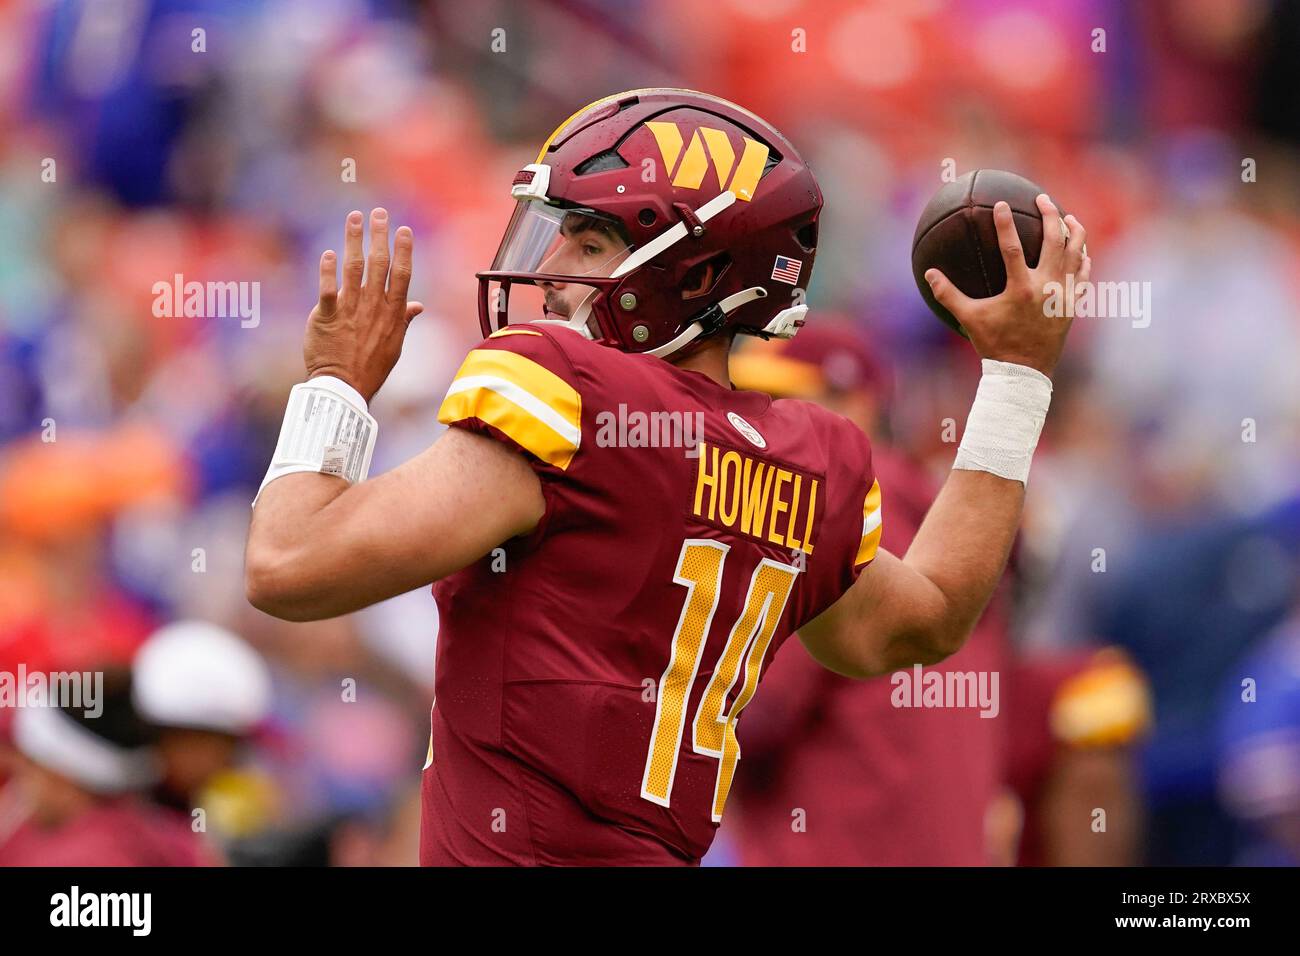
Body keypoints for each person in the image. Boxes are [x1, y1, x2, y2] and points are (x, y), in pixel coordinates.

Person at [244, 88, 1090, 865]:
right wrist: (1017, 378)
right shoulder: (808, 458)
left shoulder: (571, 401)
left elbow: (288, 565)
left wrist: (336, 383)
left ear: (691, 271)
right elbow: (926, 621)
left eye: (590, 241)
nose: (556, 274)